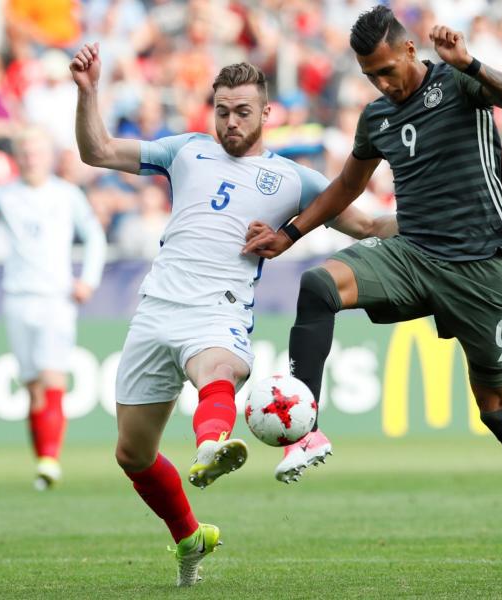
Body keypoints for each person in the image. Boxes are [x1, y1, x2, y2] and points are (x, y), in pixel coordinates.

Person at [242, 7, 502, 585]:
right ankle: (305, 425)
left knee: (496, 408)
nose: (384, 84)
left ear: (411, 49)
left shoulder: (458, 80)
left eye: (389, 71)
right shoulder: (377, 117)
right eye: (372, 77)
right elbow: (347, 185)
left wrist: (471, 61)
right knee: (319, 285)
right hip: (412, 255)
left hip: (478, 273)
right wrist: (290, 234)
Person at [70, 43, 394, 587]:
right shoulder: (185, 150)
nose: (230, 121)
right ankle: (190, 535)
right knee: (132, 453)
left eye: (242, 111)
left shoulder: (294, 180)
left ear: (267, 113)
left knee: (215, 371)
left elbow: (366, 226)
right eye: (222, 110)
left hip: (217, 310)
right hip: (157, 308)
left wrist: (440, 217)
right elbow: (97, 151)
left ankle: (212, 446)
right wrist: (88, 92)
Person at [0, 127, 106, 491]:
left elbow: (94, 236)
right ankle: (43, 462)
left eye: (37, 151)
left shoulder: (67, 195)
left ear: (48, 156)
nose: (31, 157)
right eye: (25, 151)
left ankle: (51, 460)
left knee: (52, 377)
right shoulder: (6, 195)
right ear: (17, 156)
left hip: (55, 299)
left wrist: (88, 280)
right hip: (17, 298)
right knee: (33, 387)